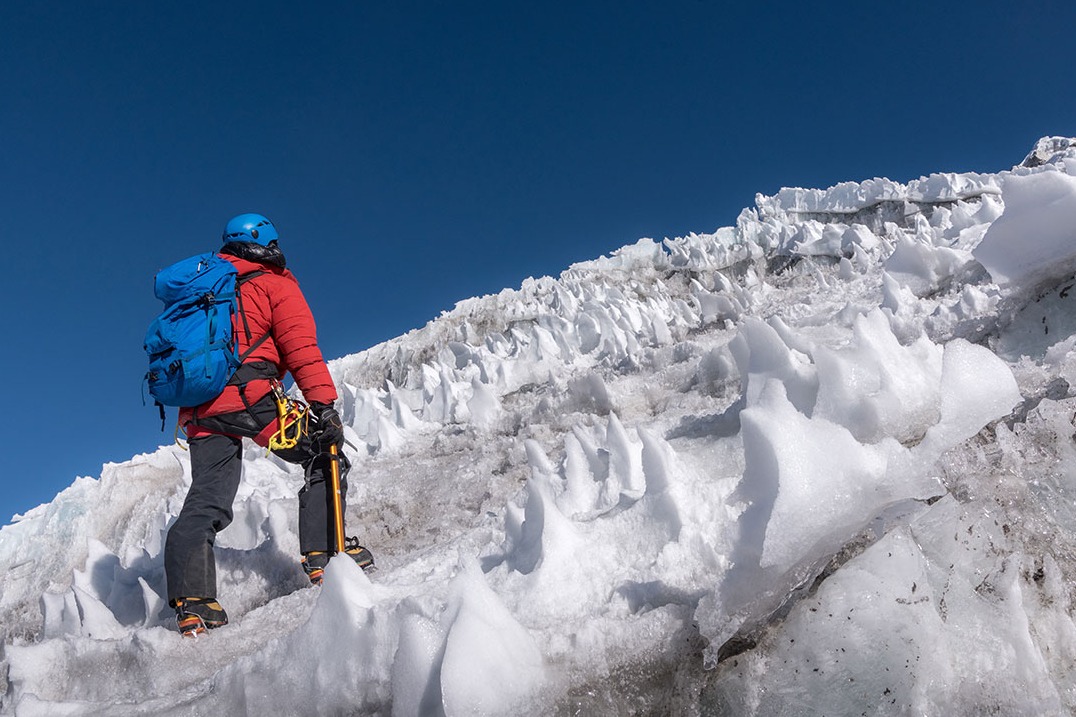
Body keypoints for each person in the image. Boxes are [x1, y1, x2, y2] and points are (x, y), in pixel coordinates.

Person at [164, 213, 373, 637]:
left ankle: (193, 601)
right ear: (266, 244)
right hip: (251, 395)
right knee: (323, 451)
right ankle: (326, 555)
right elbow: (301, 347)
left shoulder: (204, 289)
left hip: (201, 408)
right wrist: (323, 405)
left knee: (207, 497)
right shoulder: (274, 283)